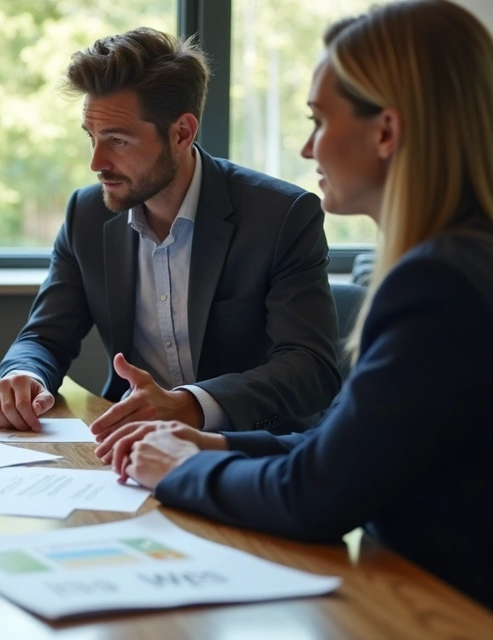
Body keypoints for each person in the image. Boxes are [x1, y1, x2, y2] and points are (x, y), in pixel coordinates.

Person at [96, 0, 493, 610]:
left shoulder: (436, 287)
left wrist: (178, 469)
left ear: (385, 132)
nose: (308, 149)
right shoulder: (465, 261)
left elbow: (317, 496)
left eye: (319, 121)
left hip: (439, 613)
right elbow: (350, 446)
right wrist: (216, 446)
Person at [0, 27, 340, 439]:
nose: (96, 162)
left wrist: (189, 406)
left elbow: (311, 367)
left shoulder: (280, 216)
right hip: (125, 446)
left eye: (117, 140)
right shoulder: (87, 214)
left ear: (181, 134)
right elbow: (45, 336)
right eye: (92, 137)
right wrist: (23, 375)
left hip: (247, 452)